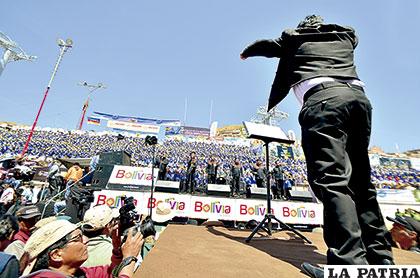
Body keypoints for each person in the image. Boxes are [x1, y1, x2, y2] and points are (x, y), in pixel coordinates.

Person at [241, 15, 394, 277]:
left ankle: (348, 264)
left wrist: (247, 53)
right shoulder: (345, 35)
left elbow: (267, 46)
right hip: (358, 100)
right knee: (360, 182)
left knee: (333, 182)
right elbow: (351, 33)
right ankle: (381, 259)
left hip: (325, 102)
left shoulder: (295, 38)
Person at [21, 219, 144, 278]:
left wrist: (117, 251)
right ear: (56, 255)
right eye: (78, 238)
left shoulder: (78, 273)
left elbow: (109, 273)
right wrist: (130, 257)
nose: (86, 240)